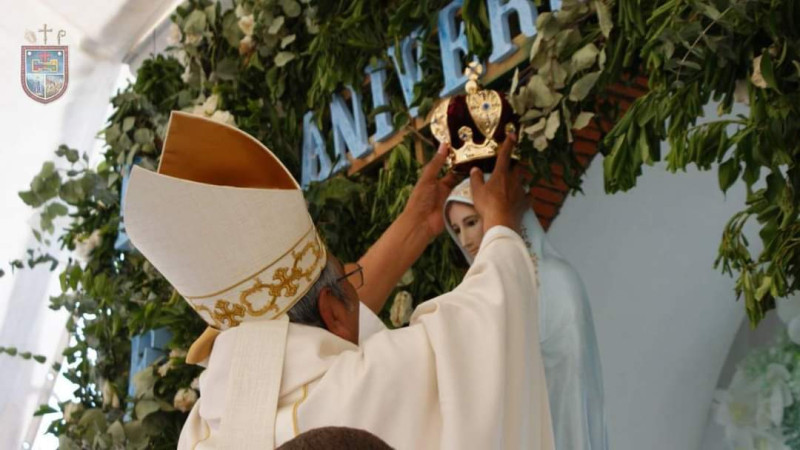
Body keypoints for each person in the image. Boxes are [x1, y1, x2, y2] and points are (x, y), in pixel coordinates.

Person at [124, 111, 554, 449]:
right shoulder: (366, 388)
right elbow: (489, 319)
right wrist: (500, 224)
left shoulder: (201, 432)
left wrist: (416, 226)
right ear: (331, 310)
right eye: (350, 279)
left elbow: (327, 329)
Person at [444, 179, 608, 450]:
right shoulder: (473, 295)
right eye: (457, 229)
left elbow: (571, 375)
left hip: (556, 427)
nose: (464, 240)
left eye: (471, 222)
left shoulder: (556, 279)